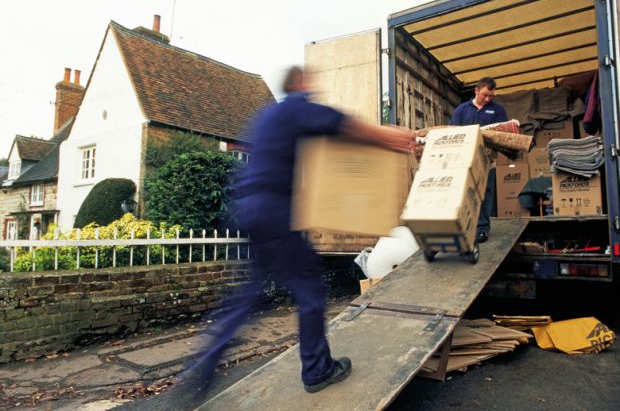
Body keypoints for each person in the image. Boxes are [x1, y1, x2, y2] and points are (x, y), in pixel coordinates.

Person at [115, 67, 414, 411]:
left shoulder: (268, 116)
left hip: (248, 211)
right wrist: (393, 137)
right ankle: (318, 370)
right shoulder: (297, 106)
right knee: (310, 290)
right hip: (275, 212)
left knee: (245, 298)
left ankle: (199, 373)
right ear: (300, 85)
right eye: (310, 84)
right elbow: (345, 125)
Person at [449, 77, 507, 244]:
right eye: (485, 95)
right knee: (463, 193)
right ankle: (463, 227)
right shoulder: (461, 110)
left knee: (484, 194)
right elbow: (453, 133)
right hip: (464, 161)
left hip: (488, 160)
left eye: (491, 96)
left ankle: (482, 229)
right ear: (476, 90)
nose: (488, 99)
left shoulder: (497, 110)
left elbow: (504, 135)